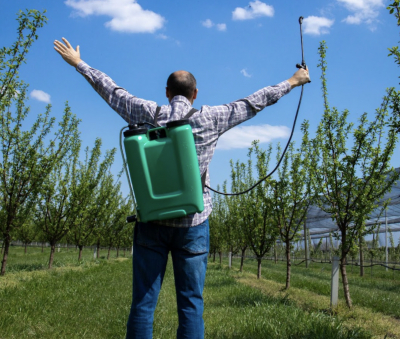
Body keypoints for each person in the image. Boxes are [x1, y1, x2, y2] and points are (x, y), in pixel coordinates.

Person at [54, 37, 310, 339]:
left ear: (166, 93)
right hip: (193, 223)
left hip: (151, 222)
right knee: (190, 303)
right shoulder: (210, 117)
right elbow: (253, 102)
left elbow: (112, 92)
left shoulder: (147, 112)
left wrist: (79, 64)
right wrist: (293, 81)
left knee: (143, 304)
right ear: (195, 93)